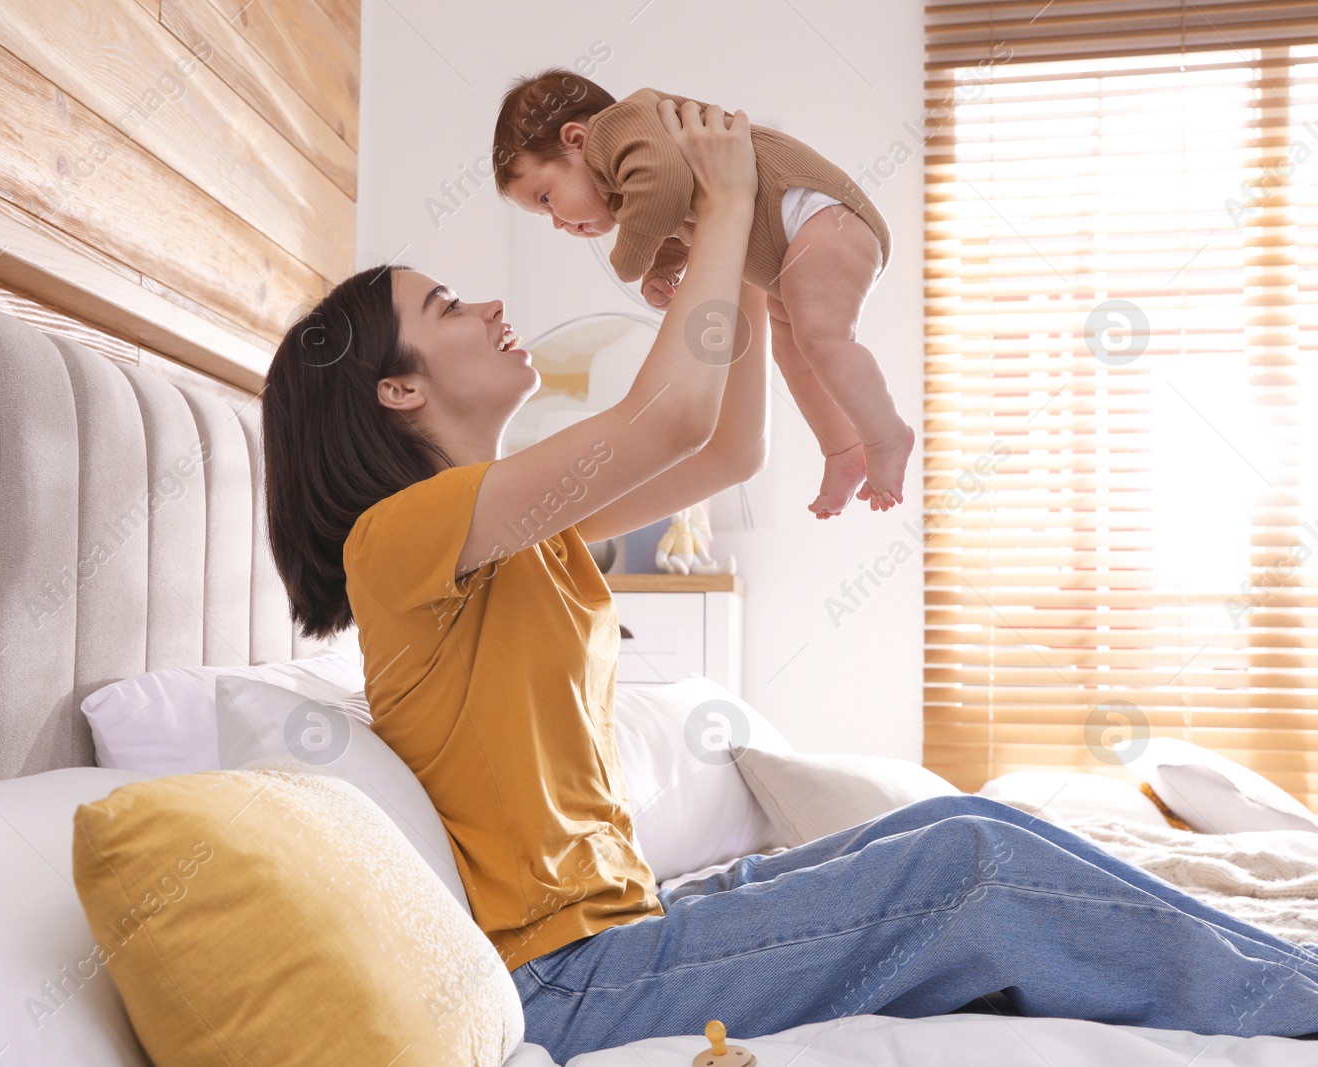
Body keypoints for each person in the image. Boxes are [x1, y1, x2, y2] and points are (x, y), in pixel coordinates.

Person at [259, 99, 1318, 1064]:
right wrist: (720, 203)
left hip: (638, 920)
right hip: (569, 979)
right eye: (444, 305)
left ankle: (1281, 968)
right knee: (969, 861)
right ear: (397, 388)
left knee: (965, 824)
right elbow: (666, 418)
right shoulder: (396, 538)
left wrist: (748, 269)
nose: (484, 302)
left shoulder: (513, 527)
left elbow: (720, 452)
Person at [492, 69, 912, 519]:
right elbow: (678, 216)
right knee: (796, 353)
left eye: (547, 198)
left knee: (824, 341)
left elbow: (664, 186)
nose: (557, 221)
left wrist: (629, 262)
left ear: (575, 139)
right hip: (791, 249)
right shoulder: (631, 182)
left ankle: (886, 435)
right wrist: (663, 268)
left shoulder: (616, 129)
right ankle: (843, 450)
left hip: (819, 218)